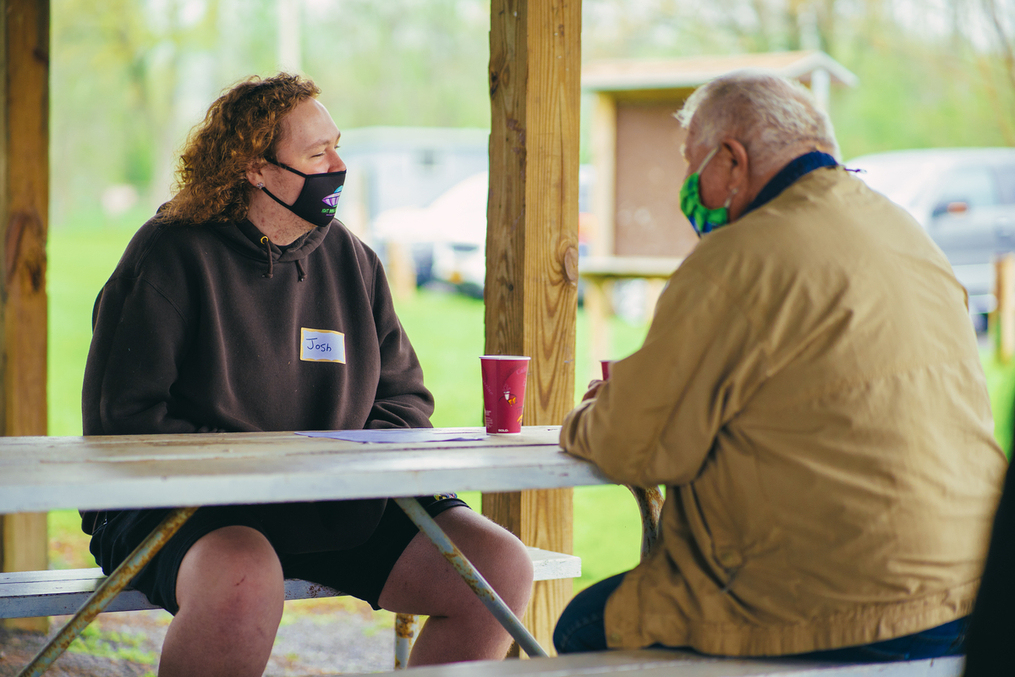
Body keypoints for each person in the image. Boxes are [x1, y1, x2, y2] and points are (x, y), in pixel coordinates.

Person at [81, 73, 533, 677]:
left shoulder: (352, 259)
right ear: (254, 168)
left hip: (332, 502)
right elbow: (126, 419)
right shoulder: (169, 253)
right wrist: (267, 468)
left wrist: (335, 466)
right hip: (182, 502)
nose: (339, 166)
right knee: (244, 578)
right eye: (317, 154)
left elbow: (404, 400)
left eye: (336, 146)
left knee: (498, 567)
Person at [553, 71, 1007, 661]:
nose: (688, 186)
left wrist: (588, 414)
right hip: (974, 586)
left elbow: (633, 446)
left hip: (832, 603)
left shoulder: (736, 259)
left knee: (581, 626)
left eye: (693, 165)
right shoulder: (905, 233)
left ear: (732, 160)